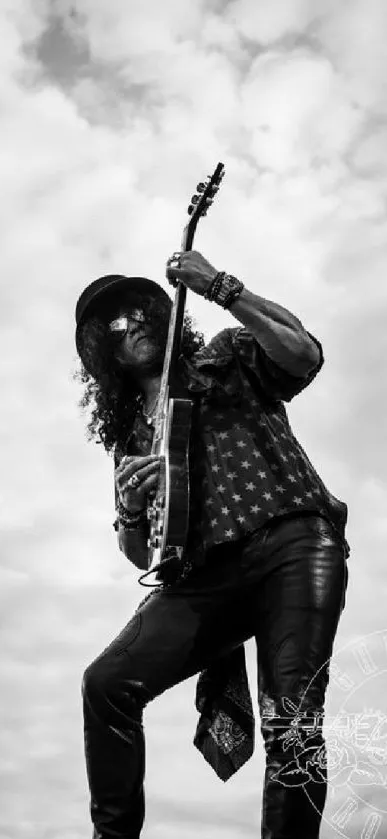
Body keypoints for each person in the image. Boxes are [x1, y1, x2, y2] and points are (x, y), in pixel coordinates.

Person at [75, 249, 350, 839]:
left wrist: (221, 286)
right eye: (116, 325)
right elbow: (141, 554)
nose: (135, 324)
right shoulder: (130, 436)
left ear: (161, 311)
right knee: (106, 684)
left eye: (141, 310)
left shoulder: (224, 356)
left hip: (292, 543)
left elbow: (303, 355)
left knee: (292, 720)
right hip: (206, 579)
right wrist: (128, 505)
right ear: (106, 350)